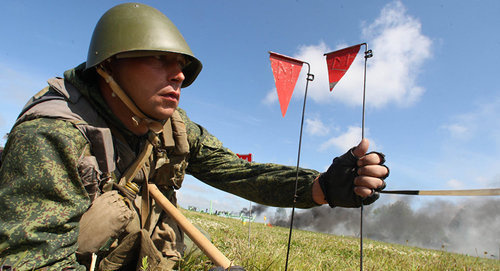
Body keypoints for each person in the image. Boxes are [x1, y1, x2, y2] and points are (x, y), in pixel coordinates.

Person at [0, 2, 388, 270]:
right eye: (159, 59)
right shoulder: (51, 136)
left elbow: (241, 173)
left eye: (182, 65)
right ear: (109, 67)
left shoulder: (175, 129)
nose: (180, 75)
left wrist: (321, 187)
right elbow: (33, 260)